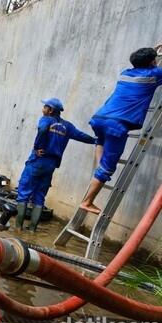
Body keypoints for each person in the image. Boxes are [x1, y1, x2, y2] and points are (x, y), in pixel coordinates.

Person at [80, 46, 162, 214]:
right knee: (108, 168)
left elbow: (144, 61)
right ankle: (87, 202)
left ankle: (99, 171)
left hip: (100, 118)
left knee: (101, 143)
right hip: (117, 125)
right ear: (152, 62)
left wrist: (153, 51)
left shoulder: (125, 73)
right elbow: (154, 68)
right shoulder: (153, 75)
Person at [16, 98, 96, 231]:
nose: (43, 109)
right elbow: (81, 136)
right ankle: (32, 229)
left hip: (38, 161)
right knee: (40, 196)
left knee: (24, 192)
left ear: (51, 110)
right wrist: (96, 141)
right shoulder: (68, 126)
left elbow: (42, 129)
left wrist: (37, 147)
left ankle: (18, 228)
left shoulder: (46, 120)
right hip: (51, 165)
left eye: (45, 107)